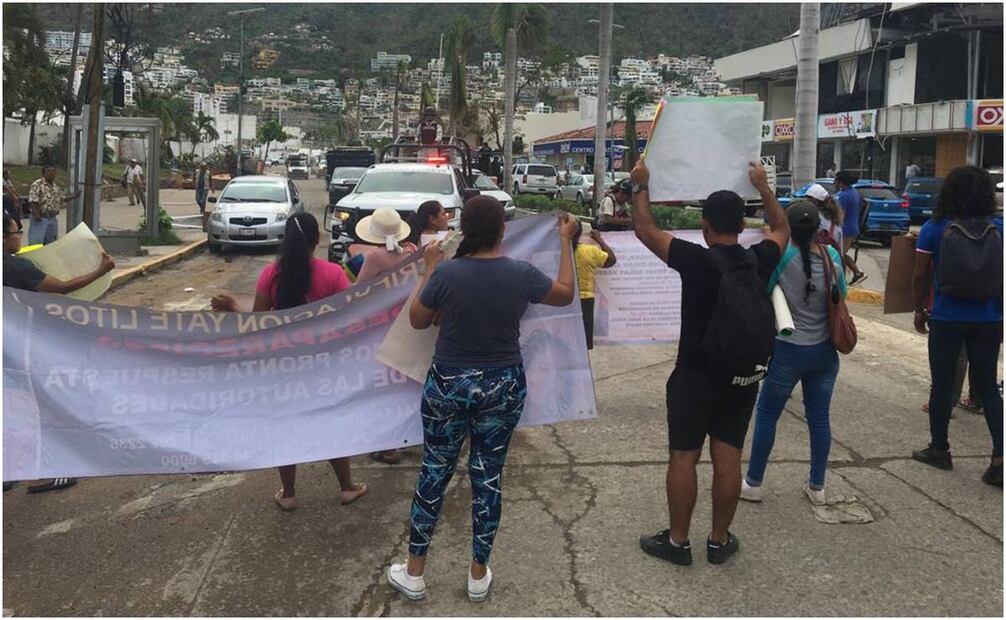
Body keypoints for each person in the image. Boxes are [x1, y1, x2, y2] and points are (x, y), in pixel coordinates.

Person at [385, 196, 576, 602]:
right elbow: (564, 294)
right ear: (502, 231)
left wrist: (430, 269)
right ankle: (477, 572)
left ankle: (415, 572)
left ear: (463, 232)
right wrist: (564, 241)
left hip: (448, 384)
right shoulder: (521, 273)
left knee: (434, 473)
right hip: (502, 384)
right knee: (487, 476)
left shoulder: (448, 274)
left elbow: (418, 321)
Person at [632, 158, 790, 566]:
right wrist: (764, 187)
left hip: (695, 375)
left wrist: (640, 185)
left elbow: (645, 229)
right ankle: (719, 541)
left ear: (705, 227)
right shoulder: (759, 259)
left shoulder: (696, 260)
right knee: (728, 458)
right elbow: (783, 228)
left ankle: (678, 541)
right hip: (741, 377)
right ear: (741, 226)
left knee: (684, 457)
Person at [210, 212, 369, 509]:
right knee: (328, 423)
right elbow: (350, 320)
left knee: (285, 426)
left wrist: (232, 307)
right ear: (317, 240)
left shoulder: (271, 275)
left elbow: (259, 325)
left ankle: (289, 493)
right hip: (322, 367)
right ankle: (347, 486)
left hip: (281, 368)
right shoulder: (334, 274)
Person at [740, 201, 847, 506]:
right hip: (825, 353)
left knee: (768, 414)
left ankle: (754, 482)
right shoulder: (833, 258)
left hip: (788, 349)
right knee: (819, 418)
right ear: (817, 230)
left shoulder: (781, 258)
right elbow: (842, 296)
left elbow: (763, 288)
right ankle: (817, 487)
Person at [3, 211, 115, 493]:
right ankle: (38, 476)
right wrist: (100, 271)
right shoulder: (15, 268)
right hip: (13, 351)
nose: (20, 234)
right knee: (24, 408)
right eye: (16, 231)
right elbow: (61, 289)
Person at [910, 166, 1003, 487]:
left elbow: (921, 274)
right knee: (988, 386)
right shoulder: (1000, 229)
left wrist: (920, 309)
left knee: (942, 382)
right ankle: (1000, 457)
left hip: (947, 317)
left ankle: (940, 449)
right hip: (989, 319)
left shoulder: (934, 228)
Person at [354, 207, 417, 465]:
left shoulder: (376, 258)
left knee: (385, 387)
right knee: (406, 384)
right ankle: (409, 435)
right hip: (411, 324)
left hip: (383, 328)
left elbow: (359, 291)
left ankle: (388, 446)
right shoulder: (414, 252)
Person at [572, 222, 616, 350]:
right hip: (585, 300)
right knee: (583, 345)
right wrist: (599, 240)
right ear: (579, 234)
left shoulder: (557, 251)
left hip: (562, 299)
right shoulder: (589, 251)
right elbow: (611, 260)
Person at [28, 165, 81, 245]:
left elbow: (62, 199)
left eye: (53, 171)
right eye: (48, 171)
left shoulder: (55, 187)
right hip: (41, 218)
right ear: (43, 173)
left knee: (51, 244)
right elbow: (32, 200)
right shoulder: (37, 184)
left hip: (52, 218)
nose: (51, 173)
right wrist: (36, 214)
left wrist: (74, 196)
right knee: (36, 243)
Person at [833, 171, 867, 286]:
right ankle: (854, 272)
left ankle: (856, 272)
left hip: (846, 229)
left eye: (837, 181)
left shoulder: (843, 196)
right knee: (841, 253)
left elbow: (840, 214)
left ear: (841, 182)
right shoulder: (853, 192)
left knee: (839, 254)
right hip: (852, 228)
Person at [805, 183, 844, 254]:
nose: (805, 200)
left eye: (807, 198)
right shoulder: (834, 221)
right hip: (833, 261)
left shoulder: (815, 218)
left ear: (814, 200)